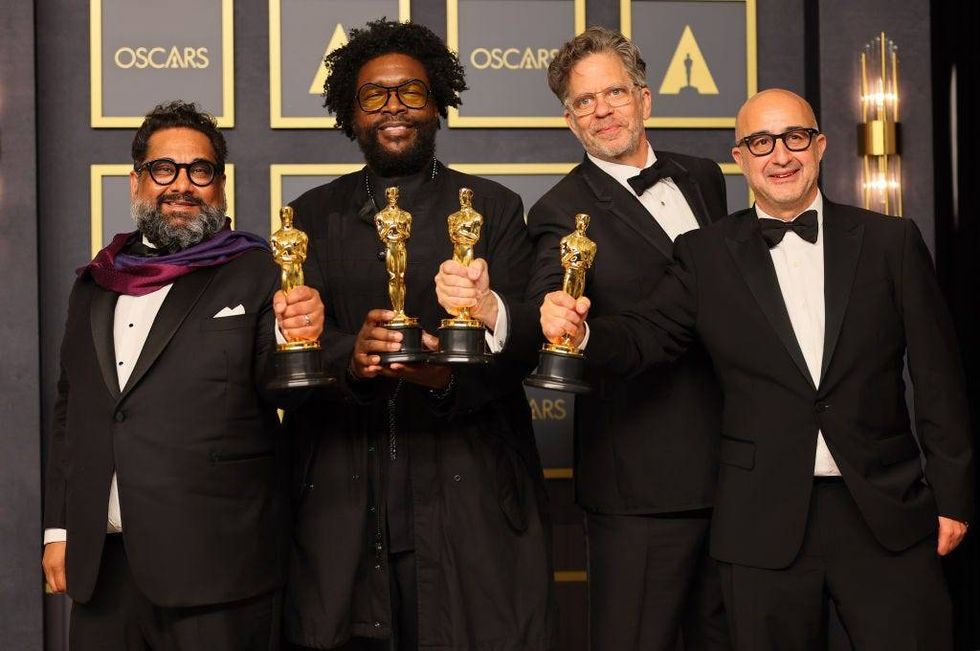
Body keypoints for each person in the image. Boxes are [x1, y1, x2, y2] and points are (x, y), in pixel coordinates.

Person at [541, 88, 974, 649]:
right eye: (760, 142)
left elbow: (939, 380)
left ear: (819, 146)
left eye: (795, 138)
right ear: (740, 158)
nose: (781, 155)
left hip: (886, 513)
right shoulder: (705, 254)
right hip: (760, 522)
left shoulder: (891, 242)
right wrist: (582, 332)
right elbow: (646, 336)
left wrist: (954, 498)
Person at [282, 19, 554, 651]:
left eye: (411, 92)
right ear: (351, 111)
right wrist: (352, 358)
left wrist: (445, 376)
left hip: (472, 495)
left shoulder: (494, 208)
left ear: (439, 105)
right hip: (344, 497)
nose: (394, 108)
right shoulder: (311, 215)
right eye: (375, 95)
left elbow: (524, 348)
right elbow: (290, 347)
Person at [40, 100, 324, 650]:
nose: (182, 185)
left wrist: (298, 338)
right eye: (164, 170)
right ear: (136, 181)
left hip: (218, 569)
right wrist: (60, 529)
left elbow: (281, 383)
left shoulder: (259, 273)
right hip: (103, 567)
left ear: (219, 185)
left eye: (200, 171)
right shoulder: (96, 284)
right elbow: (71, 413)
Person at [522, 26, 730, 651]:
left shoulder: (704, 178)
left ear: (645, 99)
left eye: (613, 92)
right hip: (639, 483)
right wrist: (558, 320)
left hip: (743, 472)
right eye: (584, 101)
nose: (602, 110)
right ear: (568, 120)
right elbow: (547, 296)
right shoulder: (559, 210)